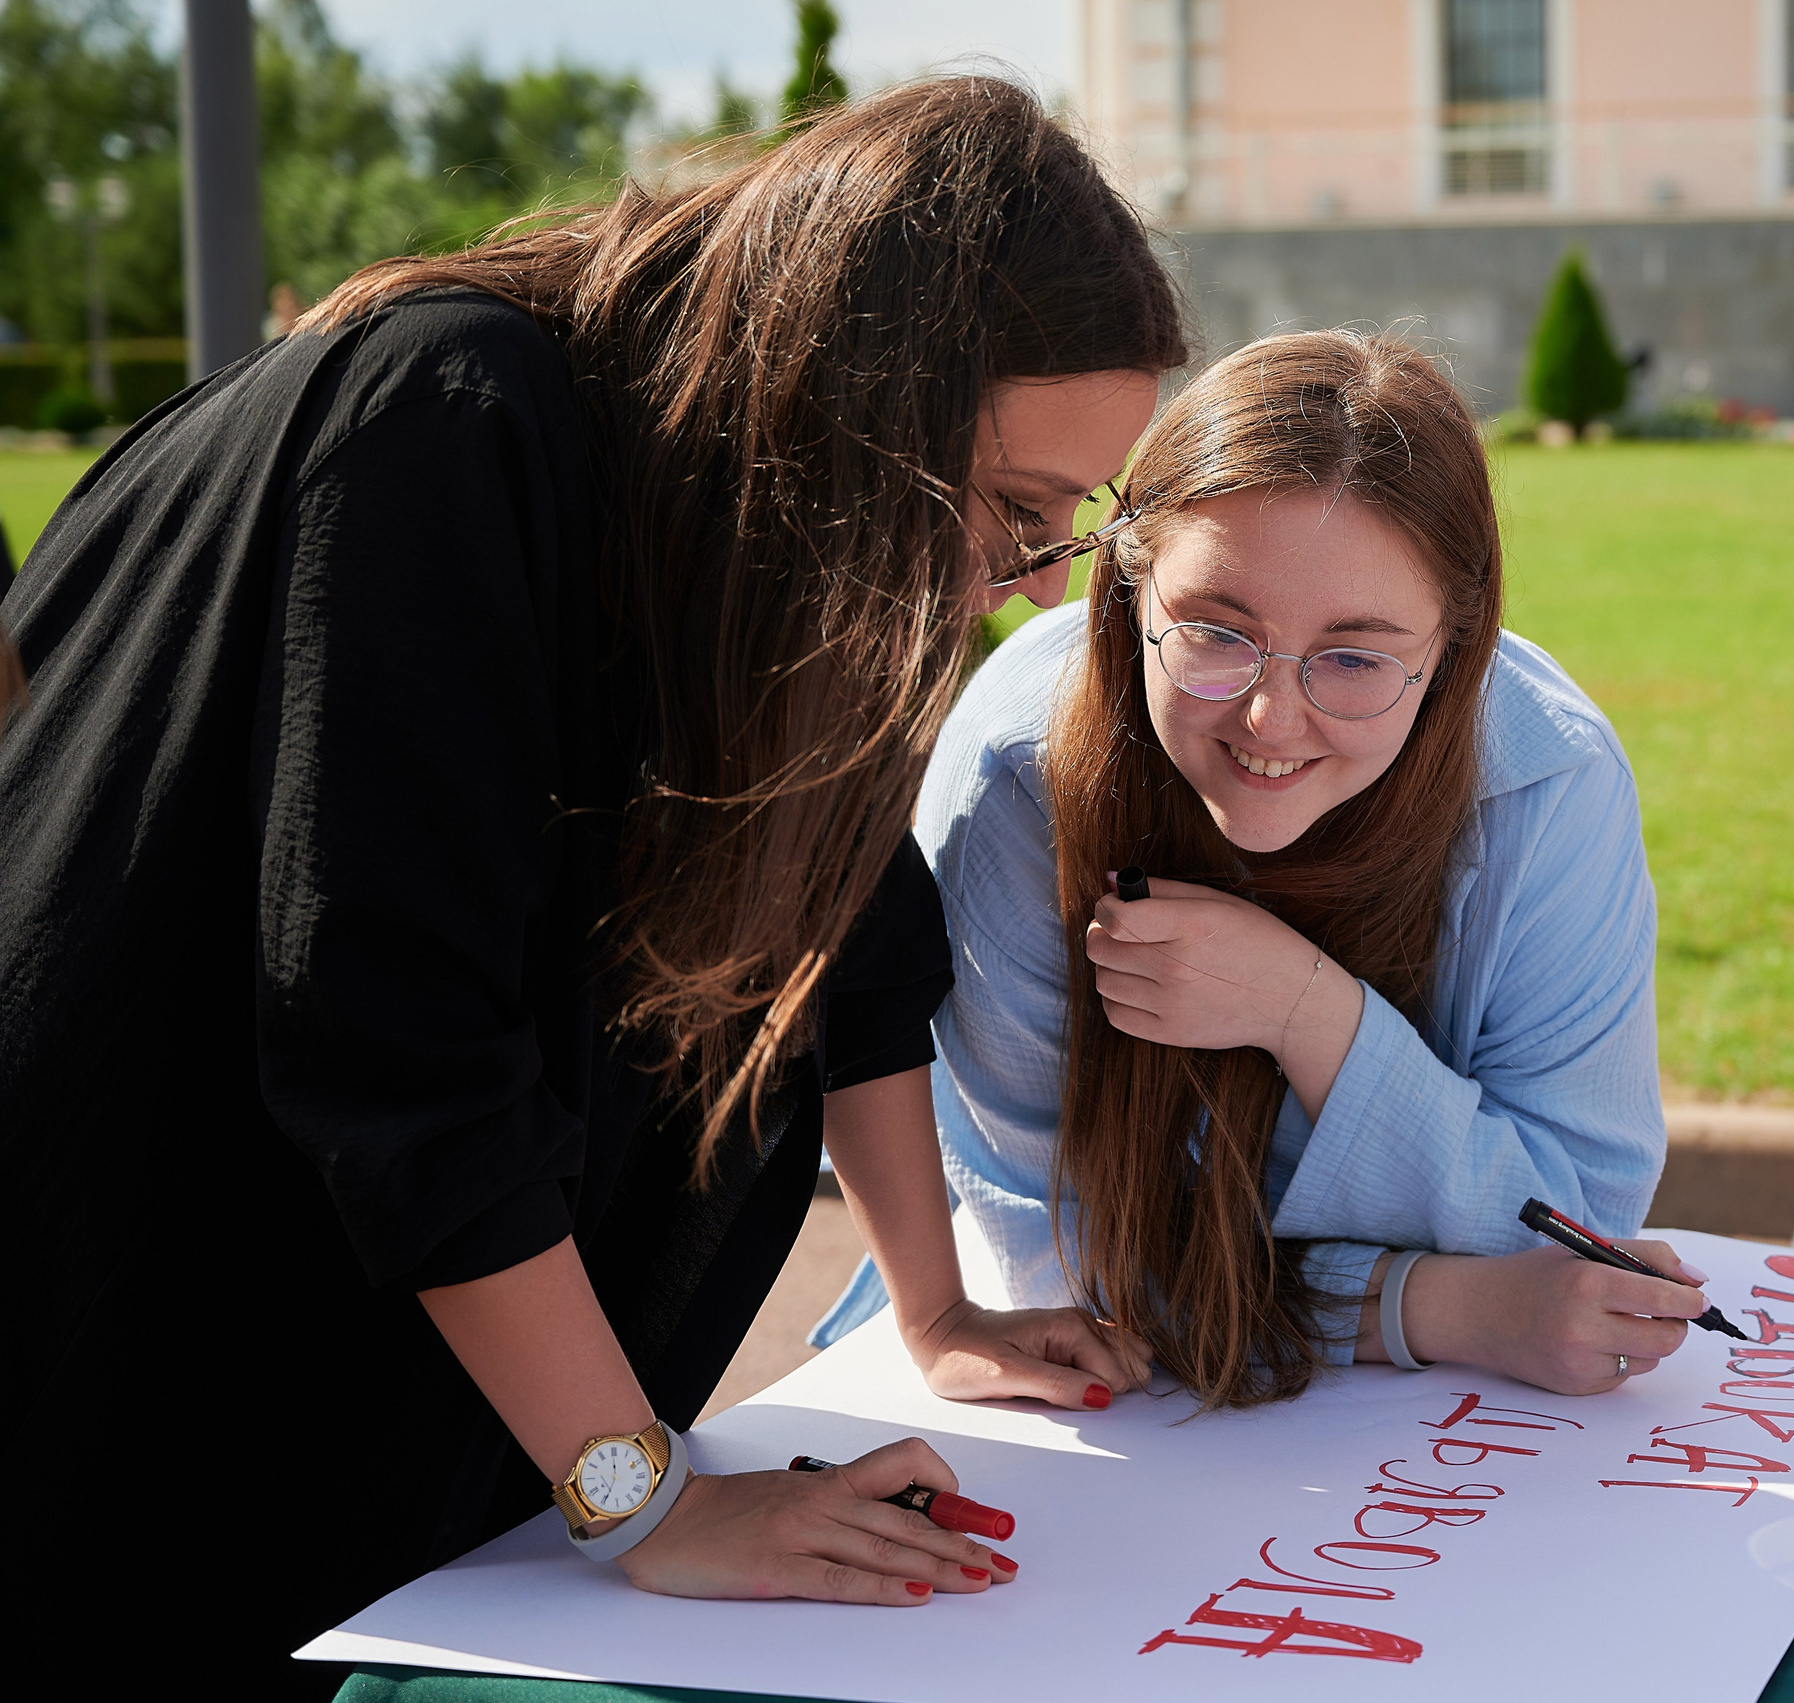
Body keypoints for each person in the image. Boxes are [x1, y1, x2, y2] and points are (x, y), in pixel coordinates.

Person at [0, 78, 1183, 1689]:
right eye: (1018, 511)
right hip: (134, 1301)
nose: (1039, 579)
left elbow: (858, 920)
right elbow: (394, 1042)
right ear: (863, 405)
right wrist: (642, 1501)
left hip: (365, 1333)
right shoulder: (448, 411)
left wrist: (937, 1311)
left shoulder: (759, 517)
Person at [837, 330, 1696, 1410]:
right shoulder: (1020, 773)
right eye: (1213, 630)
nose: (1268, 717)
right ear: (1130, 589)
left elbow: (1578, 1219)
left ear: (1453, 645)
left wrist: (1311, 1016)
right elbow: (1058, 1274)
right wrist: (1434, 1307)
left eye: (1353, 656)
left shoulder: (1543, 780)